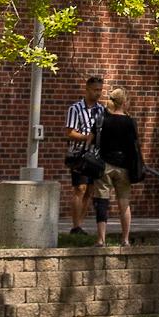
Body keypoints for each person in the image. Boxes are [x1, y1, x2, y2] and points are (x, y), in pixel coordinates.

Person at [90, 86, 143, 245]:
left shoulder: (102, 120)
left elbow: (91, 140)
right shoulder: (130, 122)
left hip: (104, 165)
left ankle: (101, 239)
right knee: (124, 203)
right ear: (124, 102)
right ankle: (125, 239)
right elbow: (134, 145)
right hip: (124, 167)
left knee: (102, 202)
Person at [60, 75, 108, 241]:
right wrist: (87, 137)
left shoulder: (101, 109)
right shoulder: (75, 109)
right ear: (87, 89)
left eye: (100, 90)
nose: (98, 93)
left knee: (90, 190)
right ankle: (75, 226)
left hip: (95, 156)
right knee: (79, 188)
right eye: (95, 90)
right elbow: (70, 132)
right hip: (79, 155)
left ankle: (80, 223)